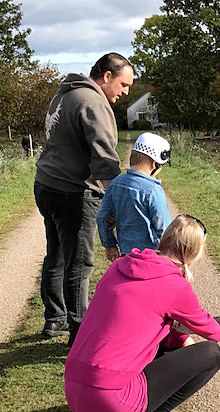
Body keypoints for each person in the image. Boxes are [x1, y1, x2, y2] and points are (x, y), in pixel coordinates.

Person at [65, 214, 220, 412]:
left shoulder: (119, 267)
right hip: (109, 400)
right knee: (211, 354)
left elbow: (140, 324)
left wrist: (179, 340)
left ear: (165, 239)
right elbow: (204, 325)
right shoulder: (174, 285)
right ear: (193, 253)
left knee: (174, 345)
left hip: (74, 391)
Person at [34, 52, 135, 345]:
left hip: (46, 184)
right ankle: (80, 334)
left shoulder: (65, 94)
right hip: (73, 192)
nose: (125, 93)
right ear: (107, 76)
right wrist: (117, 202)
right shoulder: (93, 102)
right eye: (123, 85)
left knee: (56, 256)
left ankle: (55, 318)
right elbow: (104, 159)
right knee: (79, 264)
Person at [96, 132, 172, 261]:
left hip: (126, 256)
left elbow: (102, 217)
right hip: (151, 256)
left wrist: (110, 245)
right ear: (154, 164)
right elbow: (164, 228)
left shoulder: (115, 184)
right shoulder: (153, 190)